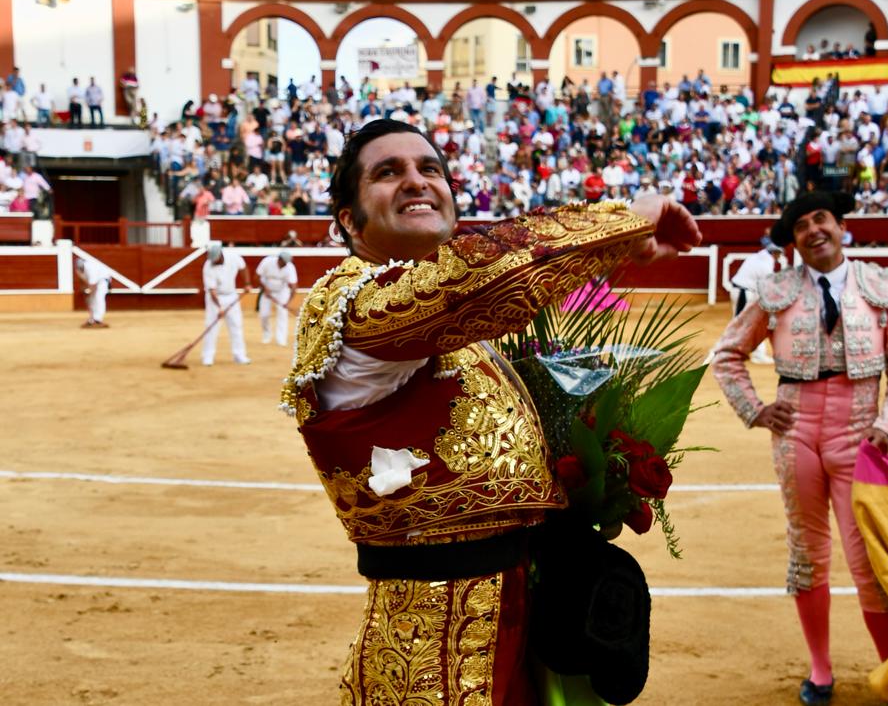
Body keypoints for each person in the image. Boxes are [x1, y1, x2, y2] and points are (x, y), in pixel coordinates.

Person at [277, 119, 700, 704]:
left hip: (524, 617)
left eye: (430, 169)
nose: (416, 181)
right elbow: (479, 280)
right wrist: (624, 220)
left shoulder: (459, 334)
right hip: (427, 646)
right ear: (349, 220)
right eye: (387, 171)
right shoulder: (353, 304)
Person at [711, 191, 888, 706]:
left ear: (841, 226)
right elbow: (727, 355)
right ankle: (821, 671)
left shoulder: (882, 286)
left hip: (860, 433)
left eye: (820, 219)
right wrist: (756, 409)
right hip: (796, 430)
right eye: (801, 225)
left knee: (869, 560)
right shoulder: (775, 290)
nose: (813, 230)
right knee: (807, 555)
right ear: (796, 241)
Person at [728, 243, 785, 364]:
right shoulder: (766, 264)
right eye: (779, 254)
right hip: (744, 292)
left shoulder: (756, 257)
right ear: (774, 253)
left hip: (741, 291)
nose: (779, 257)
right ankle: (754, 354)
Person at [201, 243, 252, 366]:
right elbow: (212, 291)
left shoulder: (233, 257)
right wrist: (219, 308)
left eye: (215, 259)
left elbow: (243, 268)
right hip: (215, 298)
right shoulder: (208, 267)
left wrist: (247, 283)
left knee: (236, 326)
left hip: (231, 295)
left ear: (220, 255)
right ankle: (207, 356)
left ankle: (239, 355)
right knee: (211, 327)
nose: (213, 262)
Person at [255, 250, 297, 346]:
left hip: (282, 291)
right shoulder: (267, 262)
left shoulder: (290, 267)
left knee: (282, 313)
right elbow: (256, 277)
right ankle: (266, 334)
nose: (285, 264)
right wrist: (265, 288)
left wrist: (287, 302)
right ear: (279, 259)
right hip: (267, 289)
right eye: (284, 262)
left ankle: (281, 339)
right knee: (264, 314)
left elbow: (294, 288)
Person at [74, 257, 111, 328]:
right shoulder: (80, 269)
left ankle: (98, 319)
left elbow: (93, 284)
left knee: (99, 298)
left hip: (102, 281)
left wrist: (89, 294)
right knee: (92, 300)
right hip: (95, 282)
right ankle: (92, 319)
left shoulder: (90, 268)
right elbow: (86, 281)